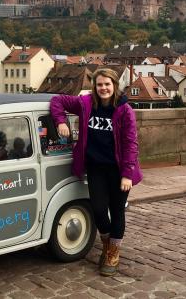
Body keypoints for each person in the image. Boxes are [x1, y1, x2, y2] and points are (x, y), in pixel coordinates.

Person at [50, 68, 142, 276]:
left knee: (117, 210)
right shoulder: (85, 104)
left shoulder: (124, 110)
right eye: (100, 84)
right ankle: (108, 245)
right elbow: (57, 101)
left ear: (115, 85)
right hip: (95, 167)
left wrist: (127, 174)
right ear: (95, 86)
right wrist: (61, 121)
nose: (103, 88)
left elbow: (131, 143)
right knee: (99, 210)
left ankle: (112, 253)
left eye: (107, 84)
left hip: (118, 170)